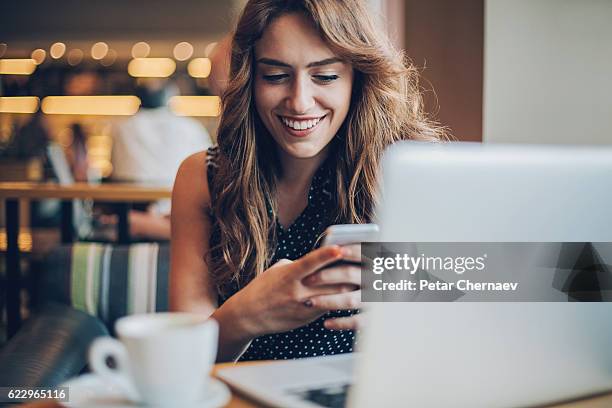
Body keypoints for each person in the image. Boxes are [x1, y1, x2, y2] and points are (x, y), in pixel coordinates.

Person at [170, 0, 445, 362]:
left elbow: (469, 315)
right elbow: (181, 361)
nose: (299, 102)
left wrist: (419, 297)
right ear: (249, 80)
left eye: (325, 76)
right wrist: (244, 316)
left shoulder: (405, 170)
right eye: (275, 75)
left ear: (357, 78)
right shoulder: (204, 176)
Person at [110, 79, 212, 239]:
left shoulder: (122, 127)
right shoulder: (191, 126)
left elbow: (114, 170)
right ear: (169, 99)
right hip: (183, 209)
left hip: (134, 212)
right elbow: (210, 168)